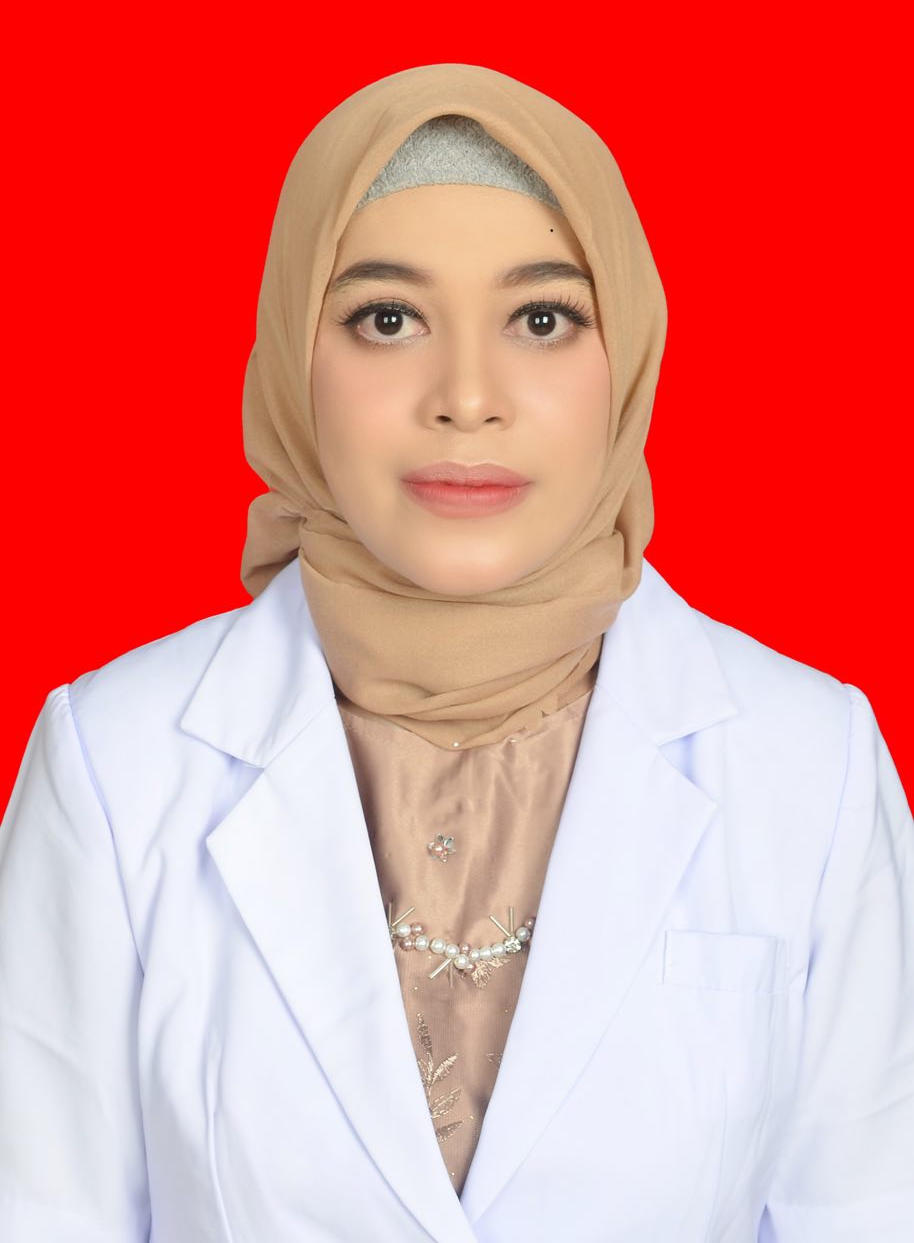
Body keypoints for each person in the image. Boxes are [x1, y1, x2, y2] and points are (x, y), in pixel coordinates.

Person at [0, 63, 911, 1243]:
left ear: (625, 357)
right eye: (387, 318)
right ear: (293, 360)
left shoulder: (811, 762)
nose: (467, 397)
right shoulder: (112, 764)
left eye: (541, 318)